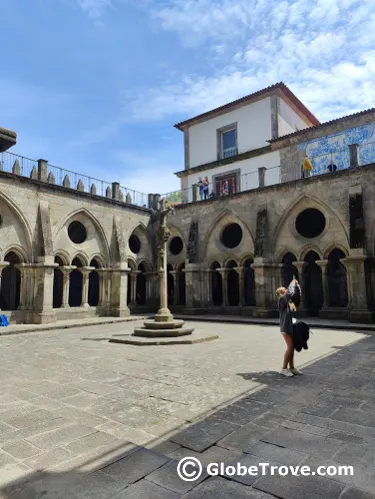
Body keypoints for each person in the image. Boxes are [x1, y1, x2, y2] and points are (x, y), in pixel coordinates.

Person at [275, 279, 303, 377]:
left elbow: (296, 298)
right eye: (285, 289)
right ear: (282, 292)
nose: (286, 289)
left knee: (292, 347)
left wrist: (298, 287)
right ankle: (283, 368)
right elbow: (289, 293)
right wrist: (292, 282)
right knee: (290, 347)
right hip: (285, 327)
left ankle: (292, 367)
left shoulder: (289, 302)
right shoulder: (281, 300)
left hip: (292, 326)